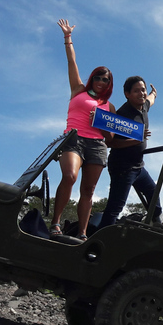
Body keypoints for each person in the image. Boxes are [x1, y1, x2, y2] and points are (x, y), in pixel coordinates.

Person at [50, 18, 115, 241]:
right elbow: (72, 63)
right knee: (69, 176)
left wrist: (102, 123)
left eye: (105, 79)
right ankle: (56, 222)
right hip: (74, 139)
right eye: (97, 77)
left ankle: (83, 233)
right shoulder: (79, 90)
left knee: (88, 191)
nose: (100, 81)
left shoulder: (109, 106)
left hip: (97, 146)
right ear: (92, 78)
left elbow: (111, 137)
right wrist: (68, 37)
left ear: (109, 84)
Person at [100, 75, 163, 228]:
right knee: (116, 206)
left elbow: (150, 100)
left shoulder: (144, 107)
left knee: (153, 191)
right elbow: (110, 143)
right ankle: (98, 238)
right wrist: (136, 140)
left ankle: (159, 225)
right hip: (122, 167)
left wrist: (154, 93)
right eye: (136, 91)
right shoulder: (122, 115)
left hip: (138, 166)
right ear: (127, 94)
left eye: (143, 90)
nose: (141, 93)